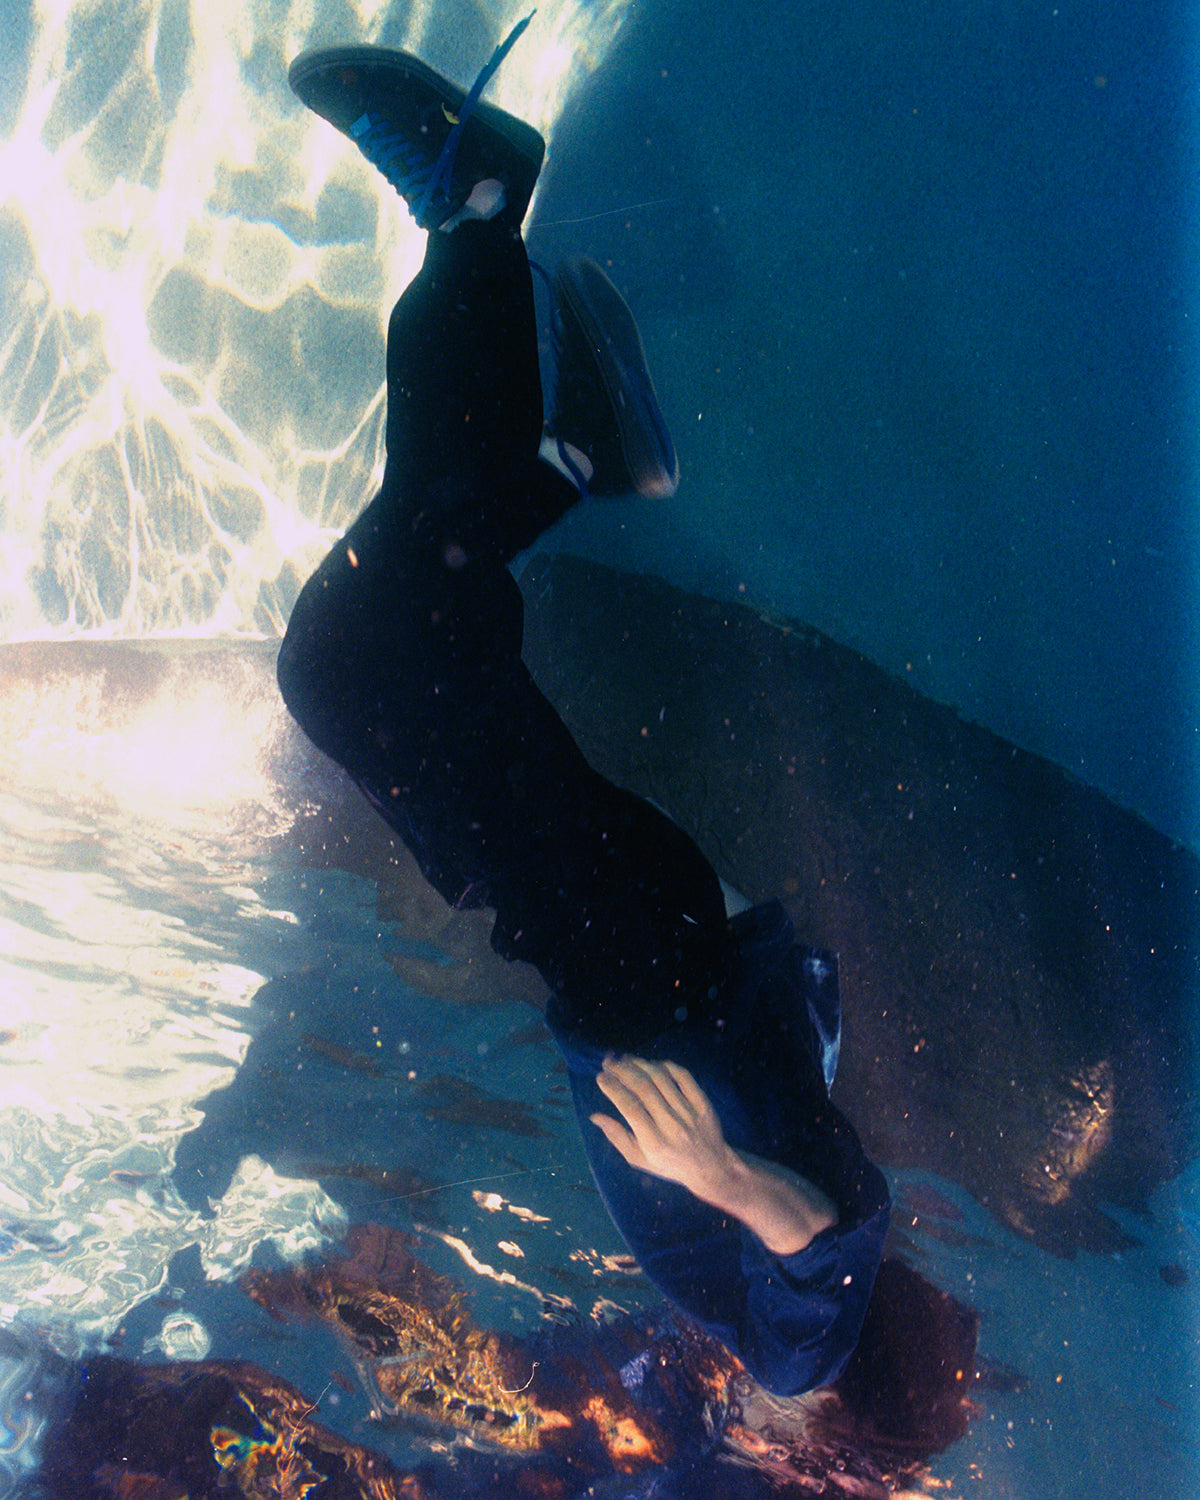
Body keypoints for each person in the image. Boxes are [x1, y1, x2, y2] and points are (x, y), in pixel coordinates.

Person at [276, 16, 891, 1398]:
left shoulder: (753, 1338)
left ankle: (537, 374)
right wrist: (726, 1176)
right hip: (636, 953)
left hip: (626, 943)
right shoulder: (798, 1366)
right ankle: (489, 238)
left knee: (416, 615)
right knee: (352, 653)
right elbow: (828, 1265)